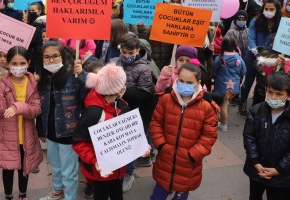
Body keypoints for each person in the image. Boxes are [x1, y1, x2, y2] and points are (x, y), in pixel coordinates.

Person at [150, 62, 218, 200]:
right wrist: (161, 145)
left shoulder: (206, 107)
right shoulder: (166, 99)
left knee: (181, 194)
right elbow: (156, 123)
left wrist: (192, 155)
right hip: (166, 158)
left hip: (189, 163)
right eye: (181, 81)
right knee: (158, 194)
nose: (184, 84)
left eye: (189, 82)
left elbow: (209, 136)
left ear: (198, 82)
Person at [0, 46, 43, 200]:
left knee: (25, 167)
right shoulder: (1, 83)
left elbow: (36, 110)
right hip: (6, 135)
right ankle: (8, 195)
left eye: (22, 63)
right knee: (8, 168)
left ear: (28, 62)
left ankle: (23, 195)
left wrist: (18, 107)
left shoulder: (33, 83)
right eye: (14, 64)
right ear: (8, 64)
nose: (18, 67)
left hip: (27, 135)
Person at [72, 64, 137, 200]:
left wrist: (140, 146)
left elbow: (130, 134)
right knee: (101, 195)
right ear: (118, 90)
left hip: (118, 168)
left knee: (116, 195)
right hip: (100, 171)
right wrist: (94, 160)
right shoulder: (93, 113)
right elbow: (79, 142)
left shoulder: (121, 105)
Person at [243, 72, 290, 200]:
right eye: (270, 92)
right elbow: (249, 137)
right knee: (254, 196)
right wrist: (256, 163)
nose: (273, 97)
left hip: (281, 176)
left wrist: (278, 169)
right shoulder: (256, 110)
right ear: (266, 90)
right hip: (257, 170)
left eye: (279, 94)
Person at [37, 40, 86, 200]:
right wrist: (41, 130)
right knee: (56, 167)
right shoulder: (43, 78)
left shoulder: (74, 75)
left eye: (55, 56)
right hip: (51, 131)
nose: (51, 60)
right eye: (47, 57)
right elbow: (41, 106)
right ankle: (57, 191)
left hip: (68, 132)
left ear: (62, 57)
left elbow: (88, 96)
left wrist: (83, 75)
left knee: (69, 171)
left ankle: (70, 197)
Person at [112, 33, 155, 191]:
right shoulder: (115, 63)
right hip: (115, 111)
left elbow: (144, 95)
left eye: (131, 53)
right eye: (124, 52)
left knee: (130, 148)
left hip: (134, 114)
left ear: (138, 51)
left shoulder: (144, 69)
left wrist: (123, 92)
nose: (127, 56)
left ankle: (128, 174)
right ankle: (117, 170)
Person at [240, 0, 281, 117]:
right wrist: (256, 51)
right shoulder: (255, 21)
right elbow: (251, 37)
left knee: (265, 81)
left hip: (271, 57)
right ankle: (242, 102)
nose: (268, 11)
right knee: (248, 79)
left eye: (271, 9)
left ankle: (260, 106)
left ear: (277, 10)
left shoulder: (281, 23)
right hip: (253, 55)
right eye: (266, 9)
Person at [212, 36, 246, 132]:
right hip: (234, 87)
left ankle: (224, 124)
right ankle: (224, 119)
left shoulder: (220, 58)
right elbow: (244, 71)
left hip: (222, 86)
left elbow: (214, 72)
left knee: (223, 104)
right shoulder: (239, 58)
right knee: (227, 103)